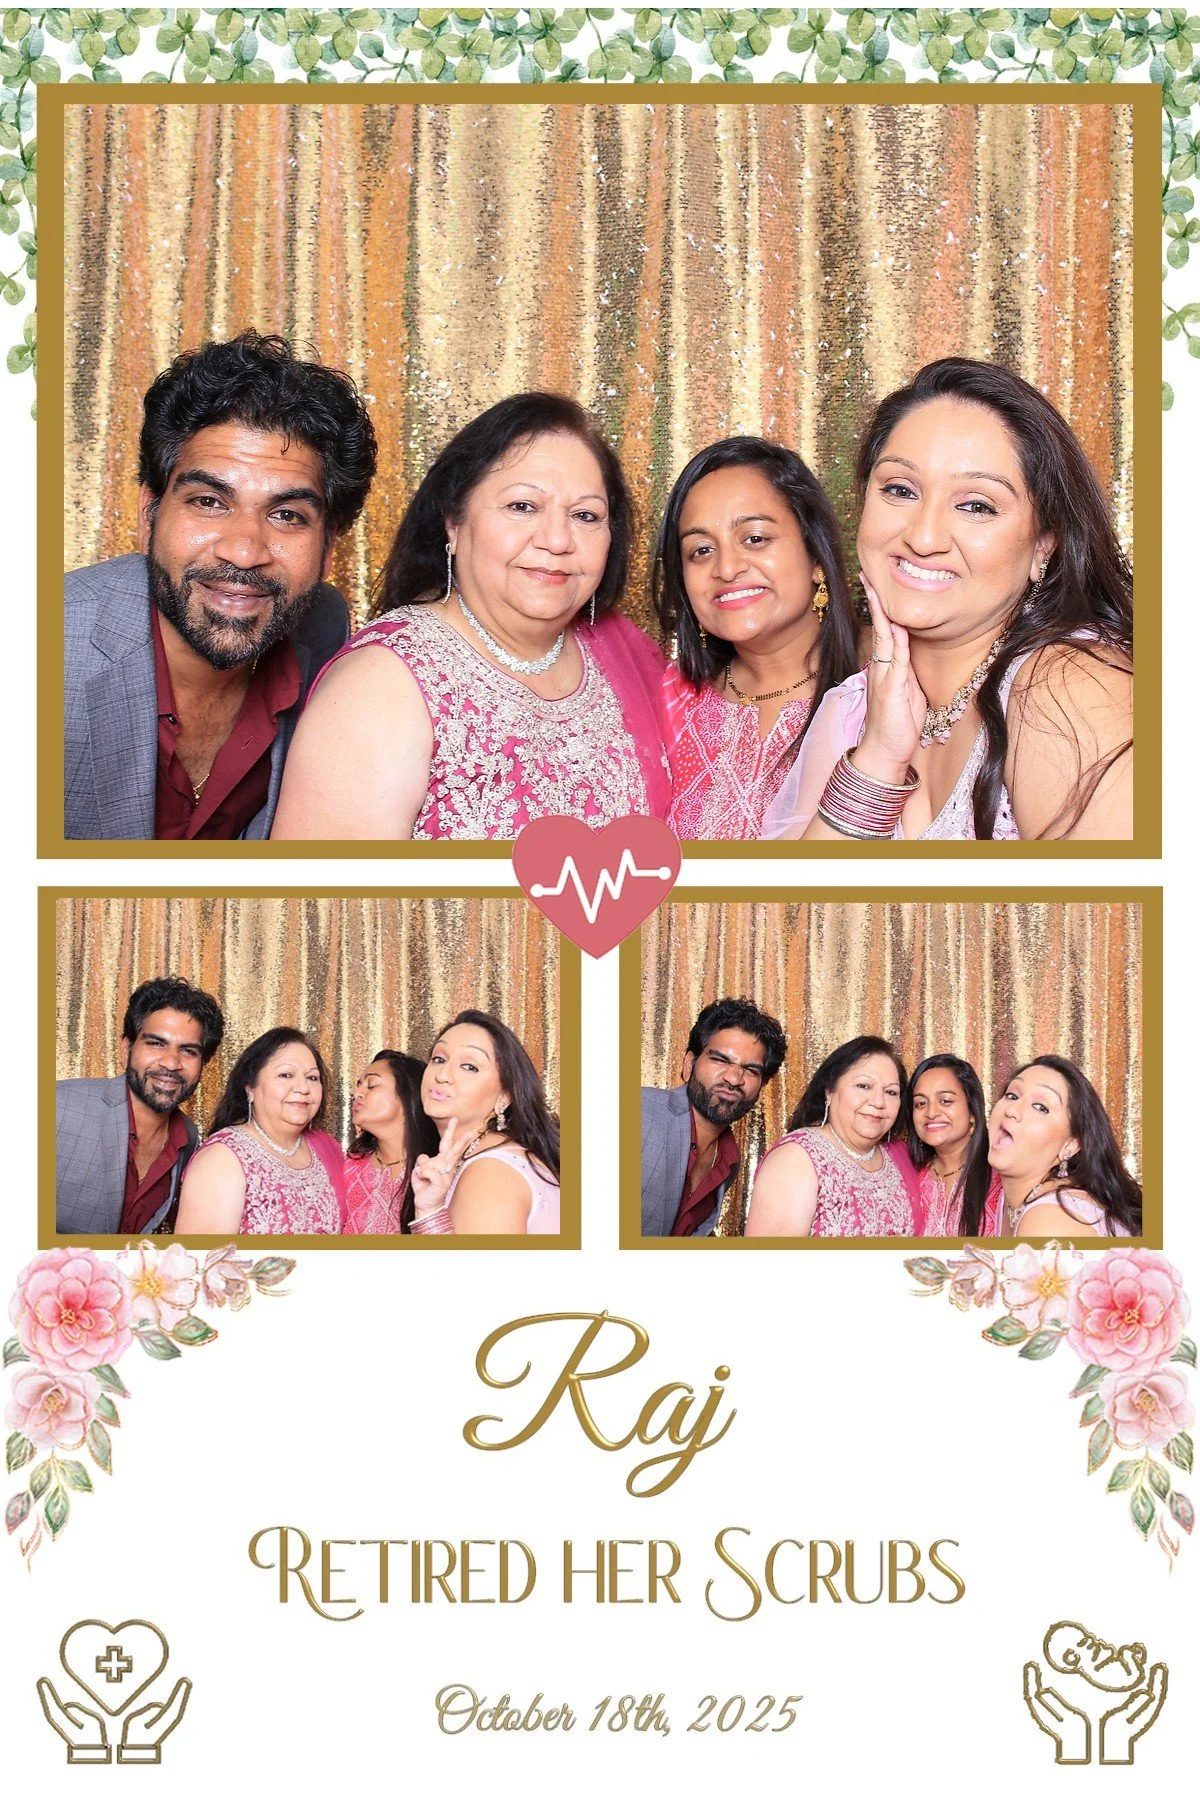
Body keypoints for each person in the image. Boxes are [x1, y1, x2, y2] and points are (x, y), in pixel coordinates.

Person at [763, 358, 1134, 842]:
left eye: (976, 505)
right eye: (900, 490)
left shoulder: (1070, 687)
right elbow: (794, 916)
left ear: (1044, 545)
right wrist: (877, 759)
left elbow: (1109, 918)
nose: (923, 536)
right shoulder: (853, 708)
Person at [271, 392, 669, 839]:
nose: (558, 540)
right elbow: (326, 908)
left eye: (585, 515)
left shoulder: (627, 651)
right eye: (523, 507)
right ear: (454, 524)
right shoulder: (379, 685)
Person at [65, 332, 378, 840]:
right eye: (209, 502)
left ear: (329, 547)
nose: (244, 550)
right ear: (149, 515)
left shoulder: (324, 629)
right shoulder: (42, 652)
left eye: (287, 515)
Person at [653, 438, 857, 839]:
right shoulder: (673, 700)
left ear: (816, 556)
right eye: (701, 550)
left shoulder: (891, 682)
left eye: (755, 539)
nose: (727, 568)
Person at [56, 976, 225, 1235]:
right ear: (127, 1049)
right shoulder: (57, 1106)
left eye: (188, 1051)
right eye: (156, 1044)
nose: (171, 1063)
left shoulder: (188, 1138)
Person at [641, 997, 787, 1238]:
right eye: (720, 1060)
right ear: (690, 1064)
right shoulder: (639, 1111)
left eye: (751, 1070)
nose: (734, 1078)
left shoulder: (729, 1161)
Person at [175, 1029, 345, 1235]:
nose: (303, 1087)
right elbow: (204, 1263)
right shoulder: (221, 1158)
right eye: (286, 1075)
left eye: (312, 1077)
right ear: (250, 1088)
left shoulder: (327, 1147)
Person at [406, 1011, 560, 1235]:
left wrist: (428, 1214)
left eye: (469, 1066)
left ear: (505, 1097)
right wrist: (429, 1211)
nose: (442, 1075)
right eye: (439, 1059)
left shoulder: (490, 1173)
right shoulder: (487, 1158)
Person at [746, 1036, 916, 1238]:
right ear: (829, 1091)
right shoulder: (795, 1159)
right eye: (863, 1086)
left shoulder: (900, 1155)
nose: (879, 1101)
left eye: (891, 1092)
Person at [987, 1056, 1141, 1238]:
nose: (1011, 1110)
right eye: (1011, 1095)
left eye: (1040, 1107)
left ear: (1070, 1145)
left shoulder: (1050, 1221)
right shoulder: (1005, 1200)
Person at [903, 1053, 1002, 1237]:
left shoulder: (1002, 1179)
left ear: (972, 1111)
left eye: (945, 1101)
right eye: (920, 1103)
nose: (931, 1113)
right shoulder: (908, 1179)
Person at [343, 1050, 439, 1235]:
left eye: (371, 1085)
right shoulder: (346, 1169)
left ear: (407, 1097)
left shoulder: (437, 1173)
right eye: (358, 1085)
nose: (357, 1094)